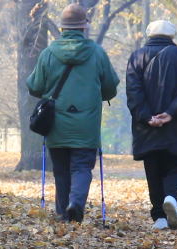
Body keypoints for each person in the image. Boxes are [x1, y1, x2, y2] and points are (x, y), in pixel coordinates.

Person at [26, 4, 119, 223]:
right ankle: (76, 203)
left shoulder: (49, 53)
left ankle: (63, 214)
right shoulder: (97, 52)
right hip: (87, 124)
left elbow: (34, 87)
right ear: (84, 27)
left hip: (56, 122)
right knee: (82, 167)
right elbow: (111, 86)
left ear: (62, 27)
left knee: (61, 170)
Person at [126, 20, 177, 229]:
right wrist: (170, 113)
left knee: (153, 169)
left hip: (146, 128)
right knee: (176, 165)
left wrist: (148, 116)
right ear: (172, 36)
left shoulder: (137, 56)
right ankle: (171, 199)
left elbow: (133, 92)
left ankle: (159, 216)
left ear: (150, 34)